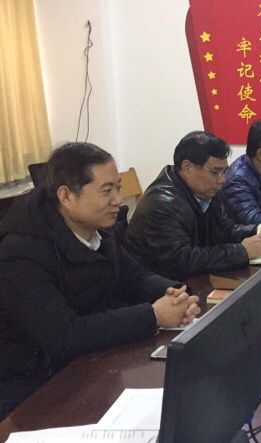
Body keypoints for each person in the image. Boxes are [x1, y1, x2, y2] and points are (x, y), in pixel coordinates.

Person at [0, 143, 200, 420]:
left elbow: (135, 277)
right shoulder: (20, 252)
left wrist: (178, 294)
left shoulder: (96, 229)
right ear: (66, 196)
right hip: (33, 380)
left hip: (90, 358)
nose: (118, 200)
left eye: (118, 187)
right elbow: (65, 335)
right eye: (106, 191)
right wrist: (153, 315)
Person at [126, 131, 261, 280]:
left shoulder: (204, 190)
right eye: (215, 172)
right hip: (160, 288)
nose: (222, 180)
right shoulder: (162, 204)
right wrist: (242, 251)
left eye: (224, 172)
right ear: (187, 168)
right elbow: (182, 260)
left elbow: (226, 230)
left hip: (192, 279)